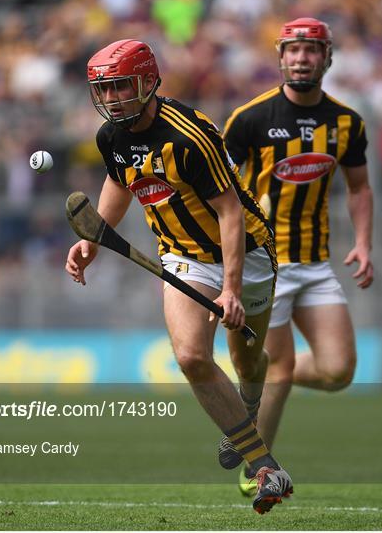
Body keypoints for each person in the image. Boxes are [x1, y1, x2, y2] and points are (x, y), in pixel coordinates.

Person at [64, 39, 292, 514]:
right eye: (104, 91)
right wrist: (94, 238)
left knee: (247, 361)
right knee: (190, 356)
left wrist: (230, 287)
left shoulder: (190, 135)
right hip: (181, 257)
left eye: (121, 87)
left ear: (148, 82)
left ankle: (248, 399)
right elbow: (120, 180)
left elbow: (230, 213)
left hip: (244, 253)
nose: (112, 99)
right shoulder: (111, 137)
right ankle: (265, 466)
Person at [219, 18, 374, 493]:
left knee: (337, 371)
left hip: (317, 263)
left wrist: (364, 242)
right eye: (293, 50)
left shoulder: (347, 122)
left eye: (312, 50)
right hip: (269, 266)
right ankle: (256, 468)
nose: (302, 58)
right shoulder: (250, 119)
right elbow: (220, 192)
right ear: (280, 57)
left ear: (328, 58)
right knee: (281, 367)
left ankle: (247, 389)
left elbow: (360, 188)